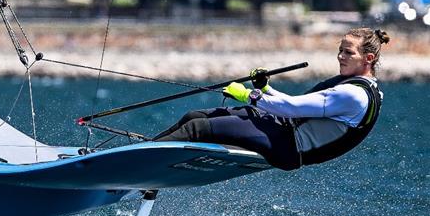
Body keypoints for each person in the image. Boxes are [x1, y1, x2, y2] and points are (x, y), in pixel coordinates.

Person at [153, 28, 390, 170]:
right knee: (195, 116)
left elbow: (290, 108)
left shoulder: (353, 95)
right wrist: (265, 88)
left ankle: (138, 166)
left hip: (286, 145)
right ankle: (146, 153)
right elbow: (293, 106)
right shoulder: (358, 86)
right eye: (340, 49)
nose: (340, 56)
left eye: (348, 52)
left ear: (368, 58)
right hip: (279, 128)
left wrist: (248, 95)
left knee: (197, 127)